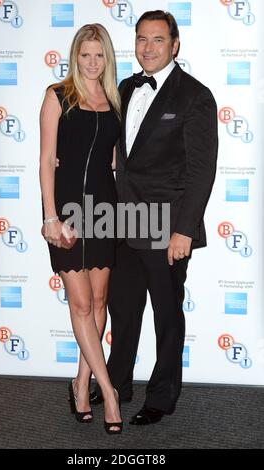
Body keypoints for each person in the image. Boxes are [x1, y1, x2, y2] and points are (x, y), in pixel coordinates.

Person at [90, 10, 218, 425]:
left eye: (158, 40)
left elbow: (201, 170)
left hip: (167, 225)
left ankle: (162, 396)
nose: (148, 47)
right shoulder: (124, 87)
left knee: (166, 314)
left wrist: (184, 230)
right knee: (123, 310)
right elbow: (114, 149)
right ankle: (118, 382)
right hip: (123, 220)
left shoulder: (195, 96)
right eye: (142, 39)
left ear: (175, 45)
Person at [39, 23, 122, 434]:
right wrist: (50, 216)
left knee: (101, 298)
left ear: (107, 57)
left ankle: (81, 381)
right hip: (67, 212)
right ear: (75, 56)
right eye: (85, 55)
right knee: (82, 304)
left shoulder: (114, 100)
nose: (92, 63)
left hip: (104, 210)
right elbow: (46, 159)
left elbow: (111, 160)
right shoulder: (57, 96)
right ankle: (108, 392)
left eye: (99, 55)